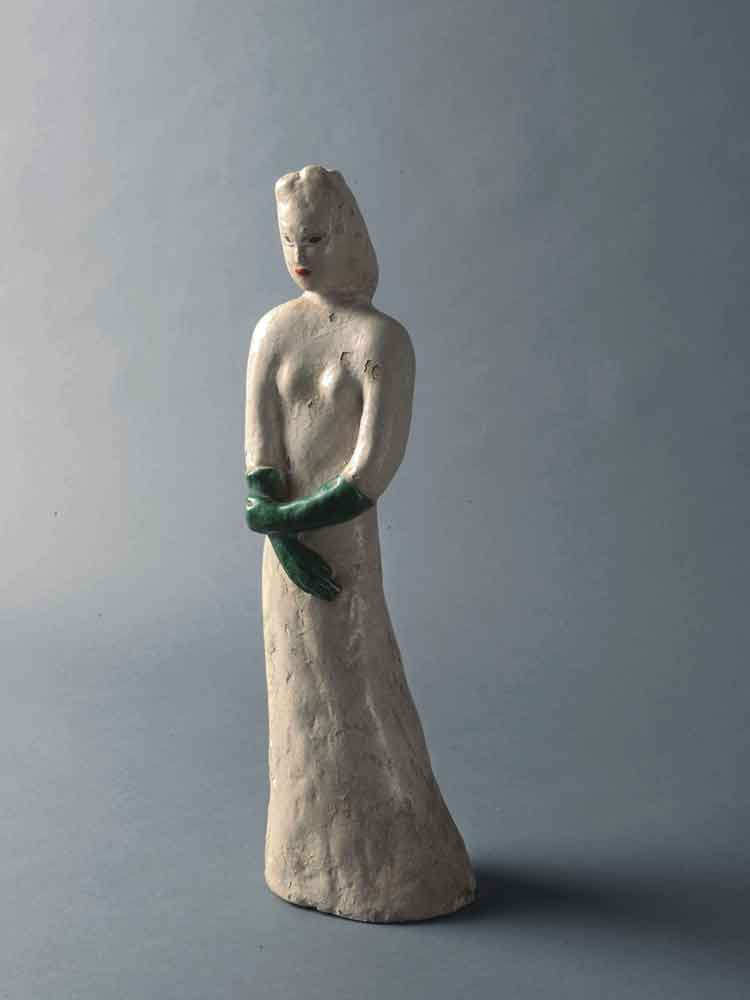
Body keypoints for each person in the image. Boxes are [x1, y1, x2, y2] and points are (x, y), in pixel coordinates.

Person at [244, 165, 475, 922]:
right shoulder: (274, 332)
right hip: (290, 555)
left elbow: (371, 470)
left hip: (343, 548)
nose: (299, 255)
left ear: (346, 234)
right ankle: (304, 851)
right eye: (288, 240)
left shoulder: (381, 341)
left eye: (314, 237)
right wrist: (281, 537)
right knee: (298, 693)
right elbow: (261, 453)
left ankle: (393, 859)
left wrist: (286, 526)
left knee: (356, 679)